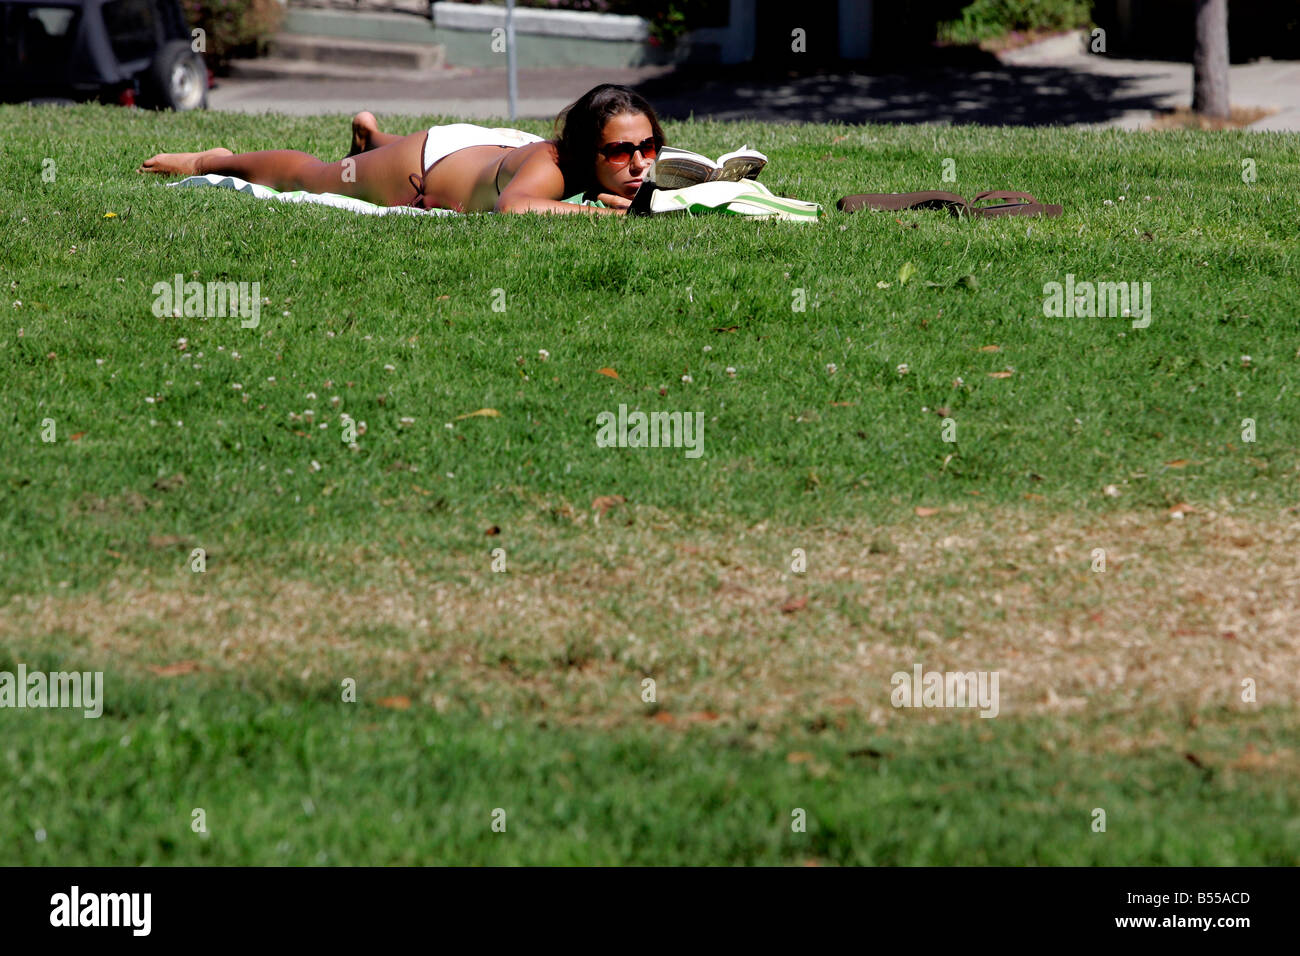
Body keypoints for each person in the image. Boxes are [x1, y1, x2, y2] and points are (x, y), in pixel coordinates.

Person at [138, 83, 664, 215]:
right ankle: (212, 157)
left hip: (484, 148)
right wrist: (608, 218)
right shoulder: (549, 166)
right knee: (319, 176)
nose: (639, 161)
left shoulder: (626, 161)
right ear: (586, 151)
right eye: (621, 152)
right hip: (428, 164)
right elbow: (516, 207)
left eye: (649, 146)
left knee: (362, 156)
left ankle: (372, 136)